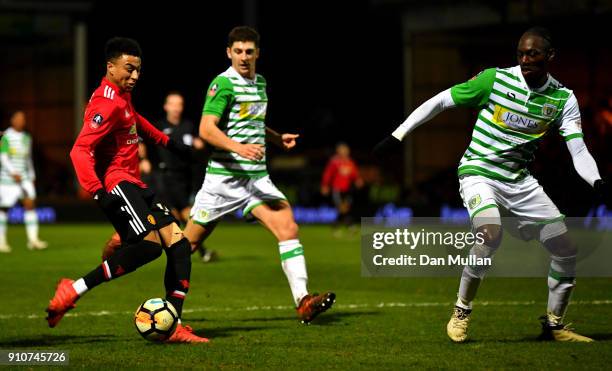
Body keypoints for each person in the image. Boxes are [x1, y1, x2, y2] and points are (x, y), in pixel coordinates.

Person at [374, 27, 610, 342]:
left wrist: (598, 182)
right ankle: (461, 311)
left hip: (520, 180)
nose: (525, 59)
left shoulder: (563, 98)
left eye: (533, 54)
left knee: (565, 248)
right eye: (521, 54)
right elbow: (441, 100)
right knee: (489, 235)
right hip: (478, 171)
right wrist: (398, 134)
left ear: (549, 56)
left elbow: (578, 150)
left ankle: (554, 325)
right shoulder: (495, 80)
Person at [45, 37, 208, 343]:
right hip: (118, 183)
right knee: (148, 247)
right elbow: (79, 151)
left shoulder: (121, 97)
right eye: (129, 69)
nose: (135, 76)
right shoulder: (105, 104)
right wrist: (97, 192)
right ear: (110, 67)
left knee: (181, 246)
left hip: (136, 184)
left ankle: (172, 323)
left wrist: (168, 143)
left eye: (138, 70)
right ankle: (74, 288)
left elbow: (136, 121)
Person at [183, 26, 335, 324]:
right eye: (237, 51)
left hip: (255, 180)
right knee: (185, 246)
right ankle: (147, 273)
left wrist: (277, 139)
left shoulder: (260, 83)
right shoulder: (223, 84)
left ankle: (303, 301)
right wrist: (238, 147)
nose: (243, 57)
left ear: (257, 54)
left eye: (249, 52)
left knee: (288, 228)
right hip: (223, 180)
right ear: (229, 52)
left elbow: (252, 123)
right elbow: (206, 129)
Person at [101, 92, 217, 263]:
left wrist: (199, 146)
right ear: (166, 106)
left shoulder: (188, 126)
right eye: (173, 104)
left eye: (179, 104)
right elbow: (139, 139)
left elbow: (196, 147)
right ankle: (182, 251)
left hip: (183, 179)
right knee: (174, 215)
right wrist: (143, 159)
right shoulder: (159, 125)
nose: (176, 108)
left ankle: (183, 249)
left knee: (185, 215)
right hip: (162, 177)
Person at [0, 111, 47, 252]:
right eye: (18, 118)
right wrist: (12, 172)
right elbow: (3, 157)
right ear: (12, 120)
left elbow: (28, 159)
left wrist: (32, 176)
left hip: (24, 179)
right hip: (8, 180)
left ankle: (33, 240)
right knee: (4, 209)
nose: (21, 121)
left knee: (30, 205)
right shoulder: (6, 137)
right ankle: (1, 242)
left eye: (23, 119)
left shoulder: (27, 137)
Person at [321, 142, 363, 235]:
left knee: (345, 208)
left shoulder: (350, 162)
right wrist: (325, 185)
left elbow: (354, 174)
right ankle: (350, 226)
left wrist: (358, 180)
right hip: (337, 190)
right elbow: (328, 174)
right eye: (342, 149)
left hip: (348, 189)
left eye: (346, 149)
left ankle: (336, 226)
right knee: (343, 208)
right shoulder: (334, 162)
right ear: (338, 151)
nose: (344, 151)